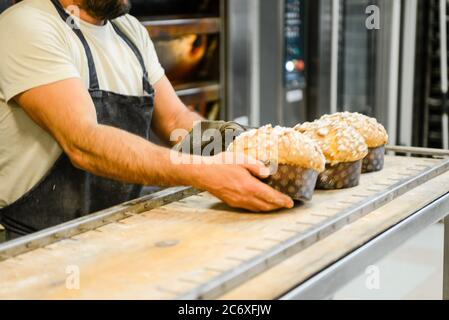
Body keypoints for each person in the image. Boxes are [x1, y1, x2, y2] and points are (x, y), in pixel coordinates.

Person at [0, 0, 293, 239]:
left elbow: (175, 119)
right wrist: (203, 171)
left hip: (116, 228)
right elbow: (82, 142)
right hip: (37, 243)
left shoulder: (128, 31)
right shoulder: (28, 25)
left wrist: (257, 147)